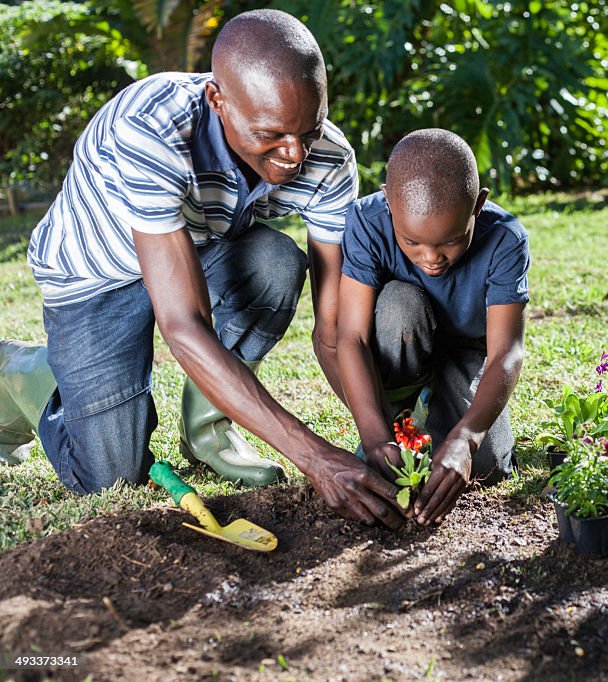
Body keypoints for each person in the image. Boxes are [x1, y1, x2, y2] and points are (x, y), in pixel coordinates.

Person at [0, 9, 405, 528]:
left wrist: (375, 438)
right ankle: (27, 372)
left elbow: (334, 329)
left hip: (196, 251)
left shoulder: (326, 157)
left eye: (309, 128)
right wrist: (315, 458)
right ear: (218, 101)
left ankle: (209, 428)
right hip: (96, 279)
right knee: (108, 475)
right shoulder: (150, 132)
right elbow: (184, 327)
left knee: (275, 262)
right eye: (271, 134)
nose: (294, 154)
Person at [336, 128, 529, 526]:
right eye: (412, 243)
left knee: (486, 468)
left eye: (451, 242)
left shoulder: (505, 240)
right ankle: (400, 415)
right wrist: (374, 438)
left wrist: (467, 438)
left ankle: (437, 419)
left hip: (466, 353)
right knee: (398, 306)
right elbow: (351, 337)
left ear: (478, 205)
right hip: (399, 345)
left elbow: (506, 352)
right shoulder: (367, 223)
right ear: (389, 202)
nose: (432, 258)